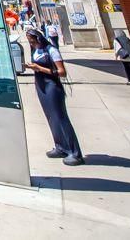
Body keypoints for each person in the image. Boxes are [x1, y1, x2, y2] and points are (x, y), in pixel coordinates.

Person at [24, 28, 84, 166]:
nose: (30, 42)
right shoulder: (35, 51)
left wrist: (40, 69)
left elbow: (62, 72)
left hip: (52, 86)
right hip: (41, 85)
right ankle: (60, 147)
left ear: (38, 38)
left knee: (60, 117)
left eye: (31, 40)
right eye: (29, 40)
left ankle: (74, 153)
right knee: (51, 117)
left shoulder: (51, 50)